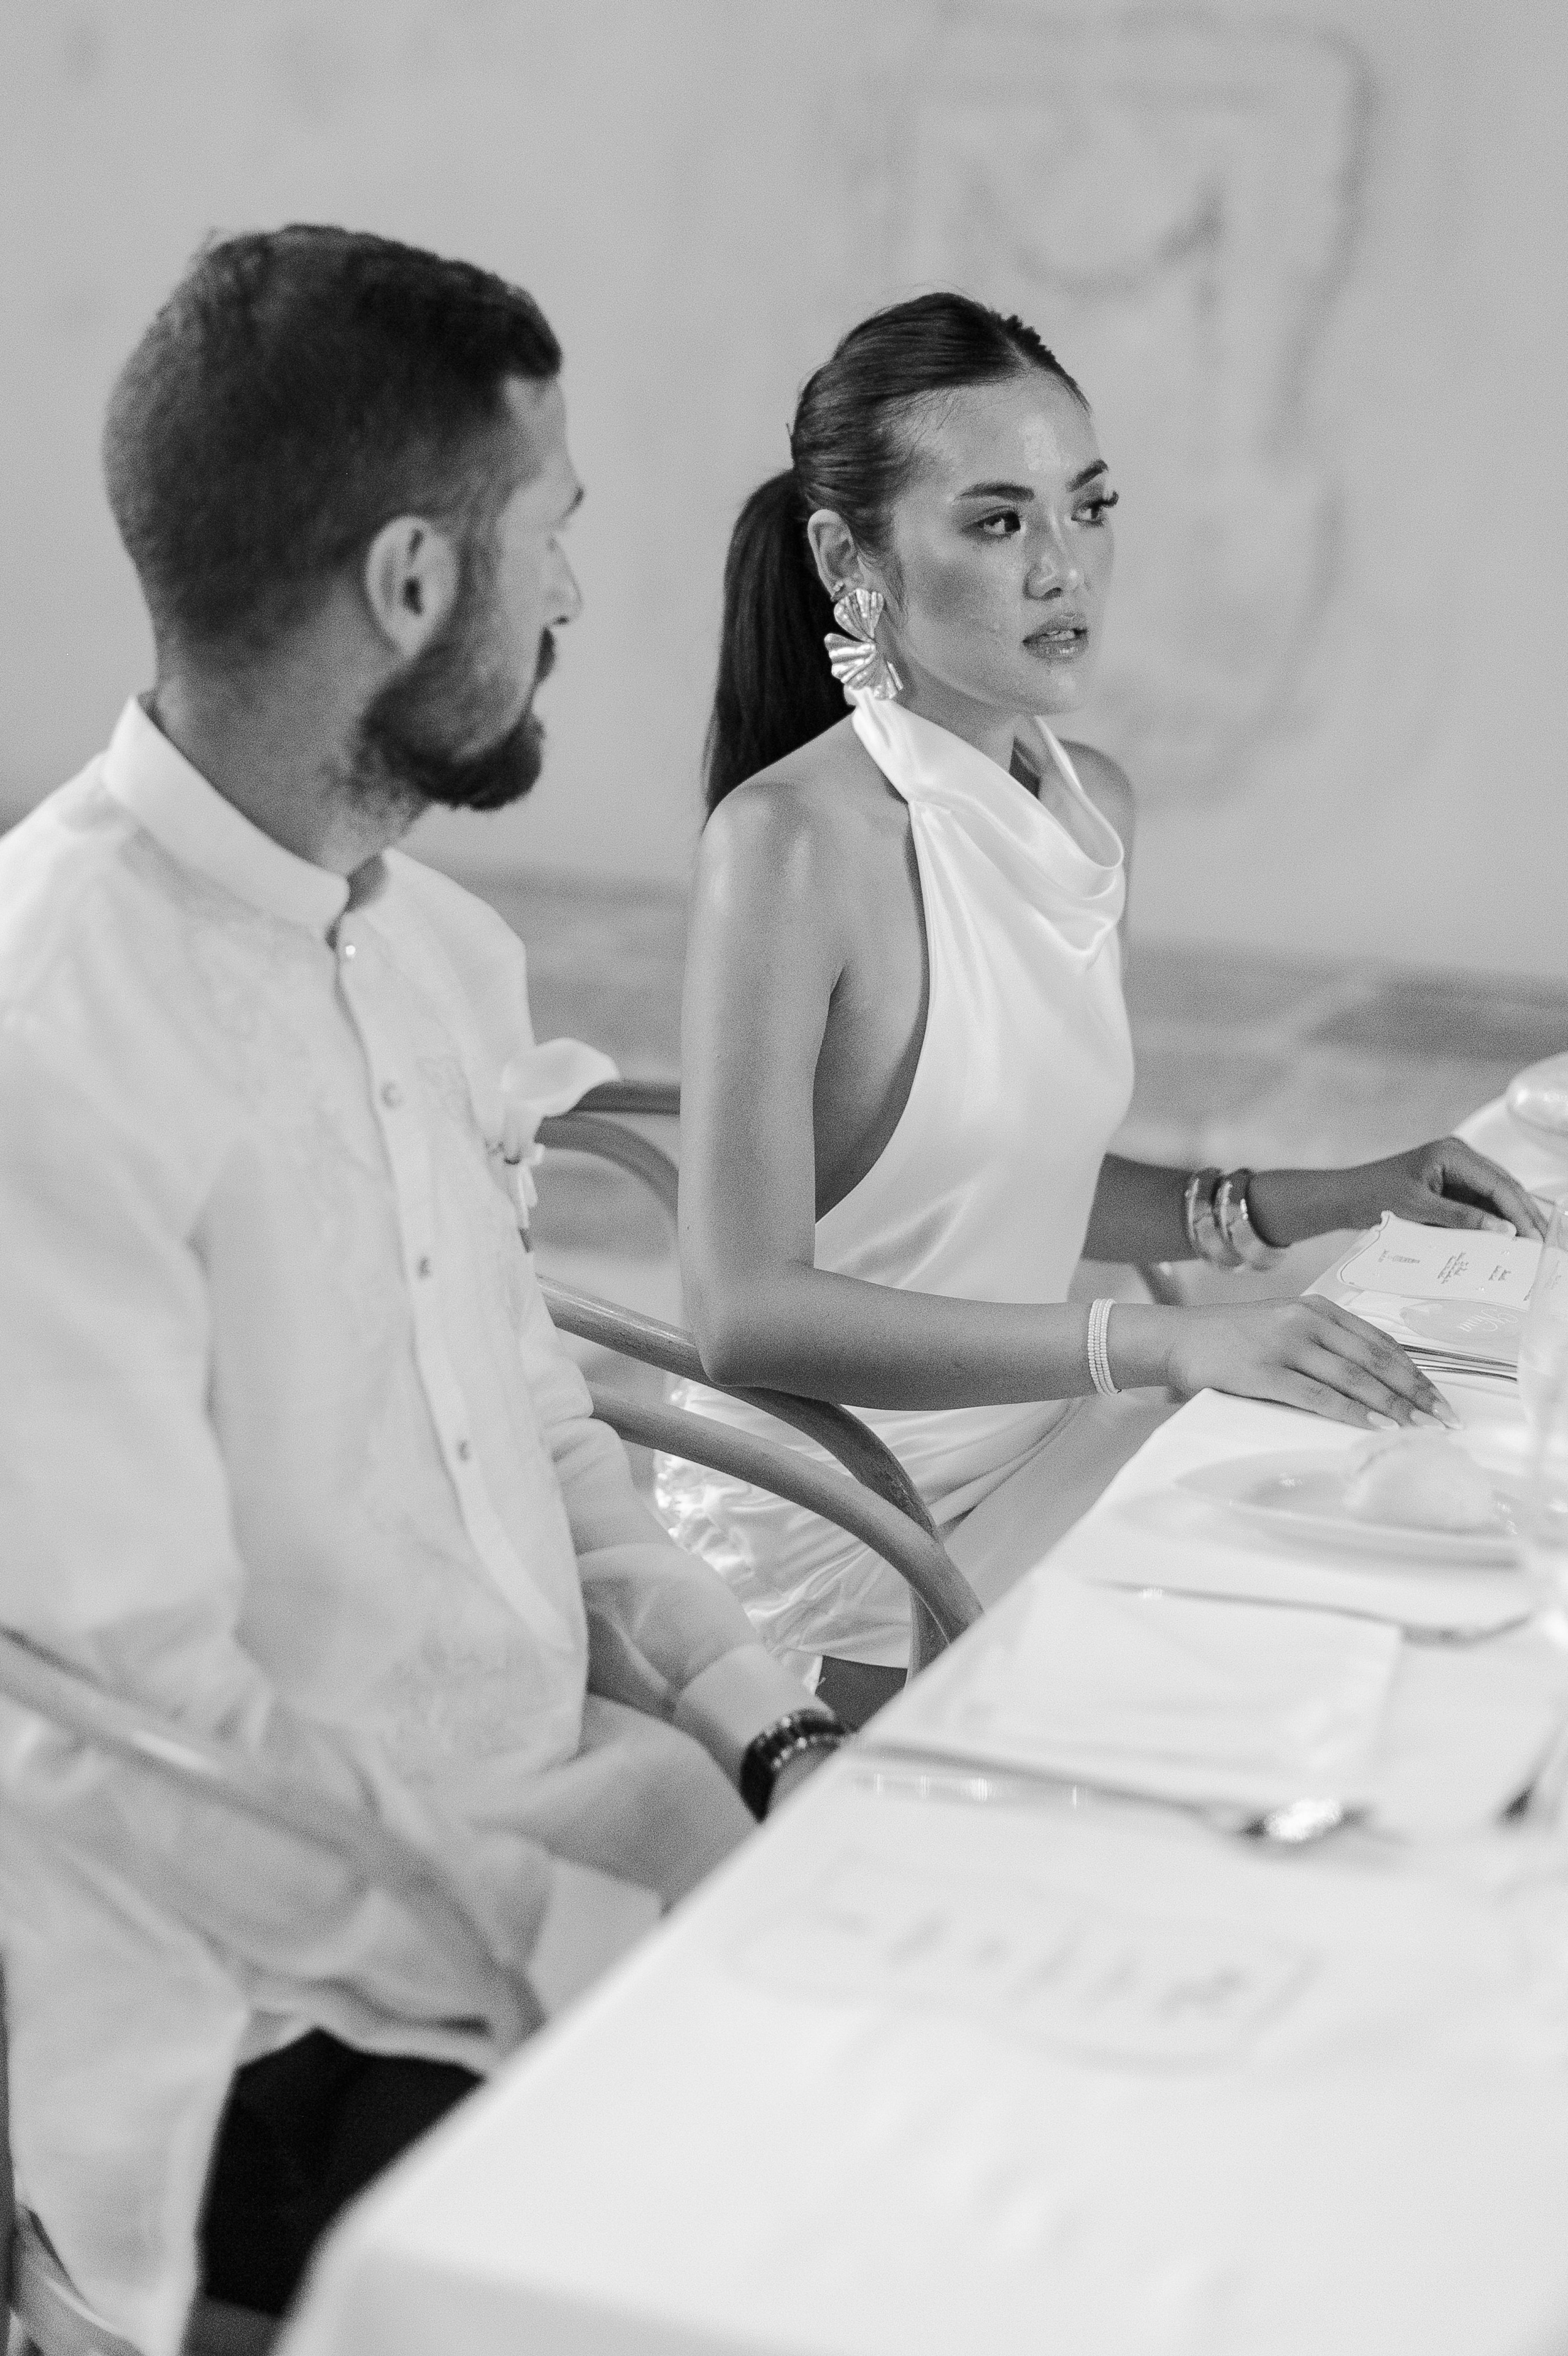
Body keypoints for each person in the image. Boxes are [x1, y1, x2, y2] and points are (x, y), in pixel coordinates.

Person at [0, 228, 839, 2356]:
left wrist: (757, 1720)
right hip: (255, 2040)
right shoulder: (45, 1032)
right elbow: (114, 1748)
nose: (572, 597)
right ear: (407, 583)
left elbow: (536, 1423)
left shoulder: (441, 955)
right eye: (548, 533)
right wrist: (577, 1922)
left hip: (566, 1849)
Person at [658, 291, 1541, 1722]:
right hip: (849, 1521)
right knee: (1319, 1635)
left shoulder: (1089, 808)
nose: (1063, 571)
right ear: (848, 557)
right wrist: (1155, 1341)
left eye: (1087, 507)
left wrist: (1325, 1195)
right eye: (996, 524)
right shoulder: (792, 844)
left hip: (1038, 1431)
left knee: (1429, 1549)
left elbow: (1007, 1186)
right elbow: (739, 1313)